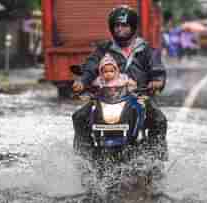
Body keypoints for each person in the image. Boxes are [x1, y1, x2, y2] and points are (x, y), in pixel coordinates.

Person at [72, 5, 167, 148]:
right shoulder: (103, 48)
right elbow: (91, 66)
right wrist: (82, 81)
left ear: (133, 27)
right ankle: (85, 156)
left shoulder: (145, 49)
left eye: (124, 25)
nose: (119, 29)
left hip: (138, 97)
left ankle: (154, 157)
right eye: (116, 25)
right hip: (105, 97)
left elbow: (157, 69)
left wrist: (157, 81)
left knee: (159, 120)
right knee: (79, 117)